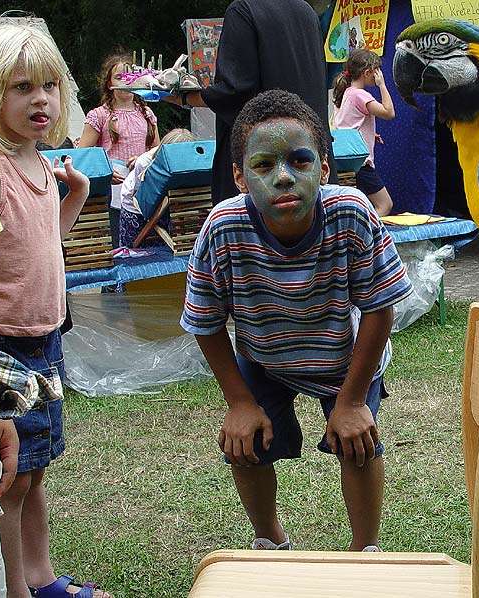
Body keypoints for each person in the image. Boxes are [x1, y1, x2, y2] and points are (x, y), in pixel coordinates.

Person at [181, 90, 413, 552]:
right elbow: (205, 322)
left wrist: (351, 402)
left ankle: (363, 551)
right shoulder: (222, 229)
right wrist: (239, 402)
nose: (283, 178)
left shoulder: (351, 213)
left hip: (343, 360)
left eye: (300, 162)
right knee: (244, 445)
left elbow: (380, 306)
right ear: (240, 177)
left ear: (324, 169)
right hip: (264, 359)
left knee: (359, 443)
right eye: (264, 166)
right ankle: (269, 541)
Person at [0, 24, 110, 598]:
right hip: (2, 349)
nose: (41, 99)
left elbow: (45, 245)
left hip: (46, 340)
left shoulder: (39, 164)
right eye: (22, 87)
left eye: (50, 86)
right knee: (8, 481)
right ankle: (12, 590)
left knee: (36, 471)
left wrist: (72, 198)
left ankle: (40, 577)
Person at [165, 0, 337, 204]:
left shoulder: (243, 10)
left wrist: (183, 97)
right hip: (308, 157)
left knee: (248, 234)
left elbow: (235, 92)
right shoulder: (306, 11)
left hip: (265, 166)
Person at [79, 52, 160, 248]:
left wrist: (143, 158)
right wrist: (106, 170)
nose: (125, 82)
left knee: (142, 242)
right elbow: (83, 155)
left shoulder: (146, 113)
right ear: (109, 83)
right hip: (112, 191)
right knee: (116, 240)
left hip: (140, 190)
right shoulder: (99, 115)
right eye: (119, 77)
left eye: (129, 77)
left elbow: (157, 151)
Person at [332, 49, 395, 217]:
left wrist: (369, 134)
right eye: (376, 71)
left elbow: (345, 124)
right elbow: (389, 112)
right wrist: (382, 85)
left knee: (354, 205)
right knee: (385, 204)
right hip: (361, 164)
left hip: (346, 162)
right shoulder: (360, 95)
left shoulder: (344, 93)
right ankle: (369, 234)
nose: (378, 75)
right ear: (367, 72)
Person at [117, 127, 196, 248]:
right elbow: (139, 195)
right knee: (138, 245)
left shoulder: (192, 160)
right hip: (135, 202)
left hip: (163, 197)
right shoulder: (145, 163)